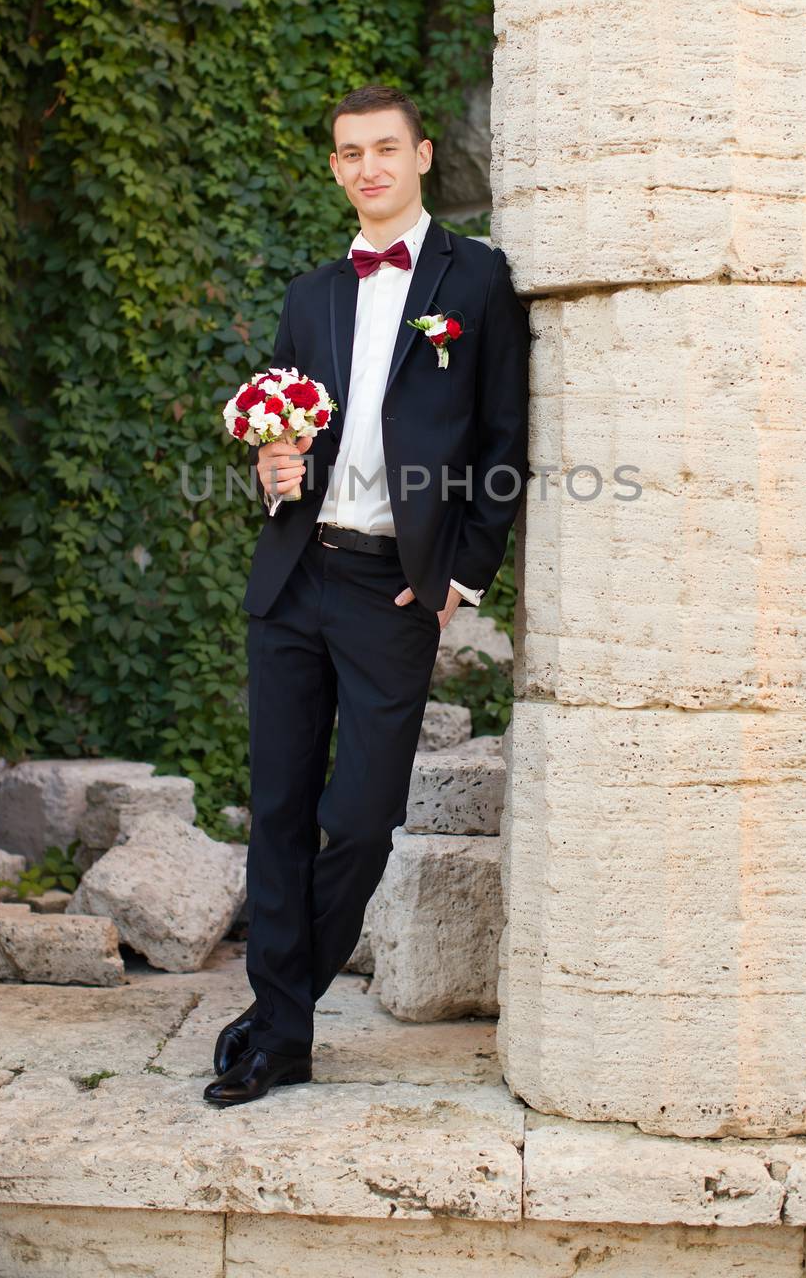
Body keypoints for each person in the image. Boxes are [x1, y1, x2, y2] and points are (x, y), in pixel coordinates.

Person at [203, 83, 531, 1106]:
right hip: (297, 573)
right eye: (348, 153)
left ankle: (278, 1007)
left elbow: (502, 443)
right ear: (336, 167)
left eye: (383, 148)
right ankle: (282, 1032)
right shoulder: (312, 293)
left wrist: (459, 578)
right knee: (278, 807)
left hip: (395, 588)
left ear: (422, 154)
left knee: (360, 817)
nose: (366, 167)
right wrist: (272, 468)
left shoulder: (475, 281)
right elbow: (288, 427)